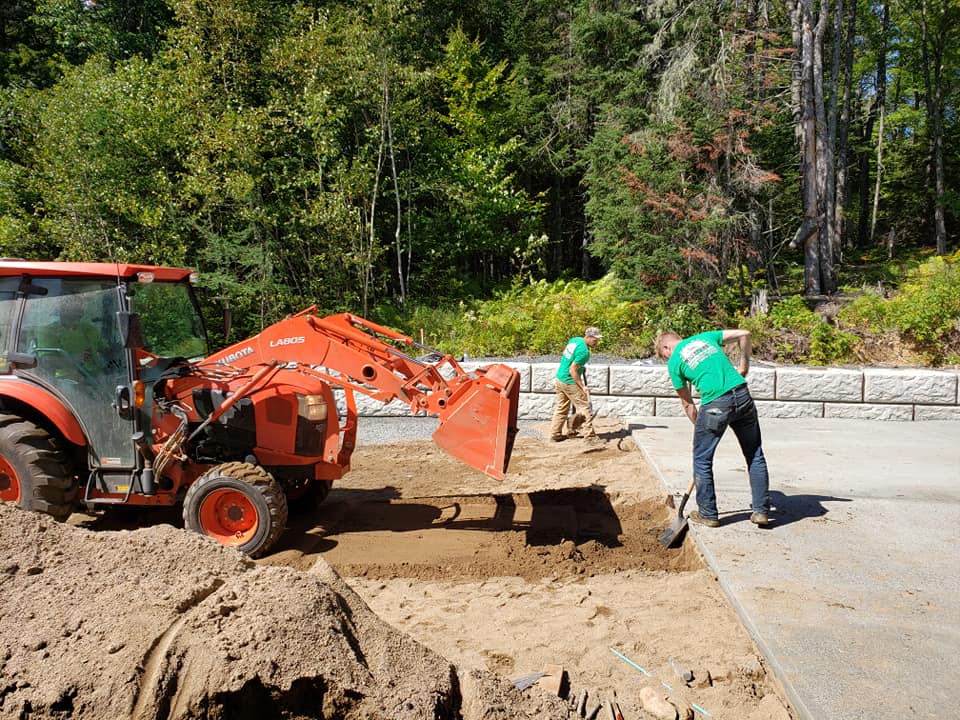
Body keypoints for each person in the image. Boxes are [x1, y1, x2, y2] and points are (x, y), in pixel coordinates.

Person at [654, 328, 770, 527]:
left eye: (664, 356)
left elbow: (688, 404)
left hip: (716, 405)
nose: (667, 359)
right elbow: (744, 333)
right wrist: (743, 367)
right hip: (742, 395)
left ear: (666, 347)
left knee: (702, 459)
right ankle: (761, 511)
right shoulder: (705, 337)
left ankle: (708, 514)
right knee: (754, 453)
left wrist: (701, 428)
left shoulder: (674, 362)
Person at [549, 327, 602, 443]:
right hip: (569, 381)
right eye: (595, 340)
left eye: (598, 340)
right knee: (584, 407)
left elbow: (569, 358)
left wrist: (580, 367)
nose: (597, 342)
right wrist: (582, 386)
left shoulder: (575, 340)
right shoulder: (584, 352)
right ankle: (590, 437)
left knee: (561, 408)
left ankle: (555, 434)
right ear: (587, 337)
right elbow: (573, 370)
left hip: (560, 378)